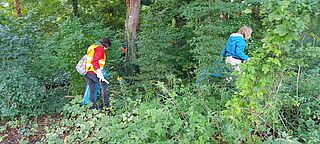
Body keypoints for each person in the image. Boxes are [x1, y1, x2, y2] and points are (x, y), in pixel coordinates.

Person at [84, 37, 111, 110]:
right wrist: (99, 73)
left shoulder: (92, 47)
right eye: (107, 48)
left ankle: (93, 108)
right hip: (93, 72)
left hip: (87, 72)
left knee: (92, 90)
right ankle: (107, 106)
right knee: (104, 86)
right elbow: (94, 61)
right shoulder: (100, 49)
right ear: (106, 45)